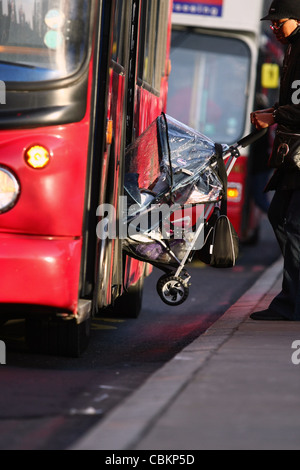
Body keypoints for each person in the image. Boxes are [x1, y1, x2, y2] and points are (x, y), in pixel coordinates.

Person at [250, 0, 300, 321]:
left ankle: (291, 304)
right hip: (292, 156)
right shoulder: (293, 48)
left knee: (290, 223)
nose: (274, 27)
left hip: (298, 157)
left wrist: (274, 115)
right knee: (282, 217)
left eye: (278, 21)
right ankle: (291, 301)